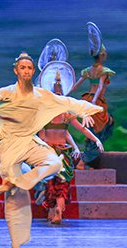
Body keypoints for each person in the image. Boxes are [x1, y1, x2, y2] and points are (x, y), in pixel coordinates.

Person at [0, 52, 102, 248]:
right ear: (16, 70)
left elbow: (66, 101)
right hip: (9, 144)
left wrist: (86, 111)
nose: (27, 71)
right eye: (23, 68)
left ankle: (20, 180)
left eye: (29, 68)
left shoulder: (41, 95)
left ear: (33, 71)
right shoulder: (6, 92)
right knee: (14, 198)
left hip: (29, 141)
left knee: (55, 163)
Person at [38, 61, 104, 224]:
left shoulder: (48, 114)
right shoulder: (64, 114)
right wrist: (95, 139)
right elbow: (80, 130)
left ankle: (55, 211)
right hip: (61, 153)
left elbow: (42, 137)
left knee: (52, 183)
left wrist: (95, 139)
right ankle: (56, 211)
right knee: (61, 183)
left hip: (50, 152)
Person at [69, 23, 115, 169]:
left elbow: (76, 85)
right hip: (95, 101)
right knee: (102, 127)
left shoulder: (88, 71)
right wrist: (93, 104)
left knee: (98, 128)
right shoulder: (103, 71)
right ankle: (84, 161)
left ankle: (91, 160)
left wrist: (67, 91)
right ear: (102, 55)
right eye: (105, 53)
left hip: (88, 99)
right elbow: (100, 87)